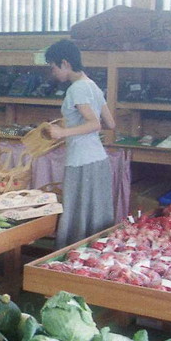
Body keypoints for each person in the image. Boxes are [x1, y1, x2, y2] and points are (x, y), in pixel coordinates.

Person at [46, 39, 116, 248]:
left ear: (65, 63)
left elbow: (94, 124)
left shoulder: (76, 89)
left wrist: (62, 132)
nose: (53, 72)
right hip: (99, 160)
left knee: (77, 214)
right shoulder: (91, 84)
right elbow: (110, 123)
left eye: (53, 67)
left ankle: (67, 265)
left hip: (82, 162)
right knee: (95, 215)